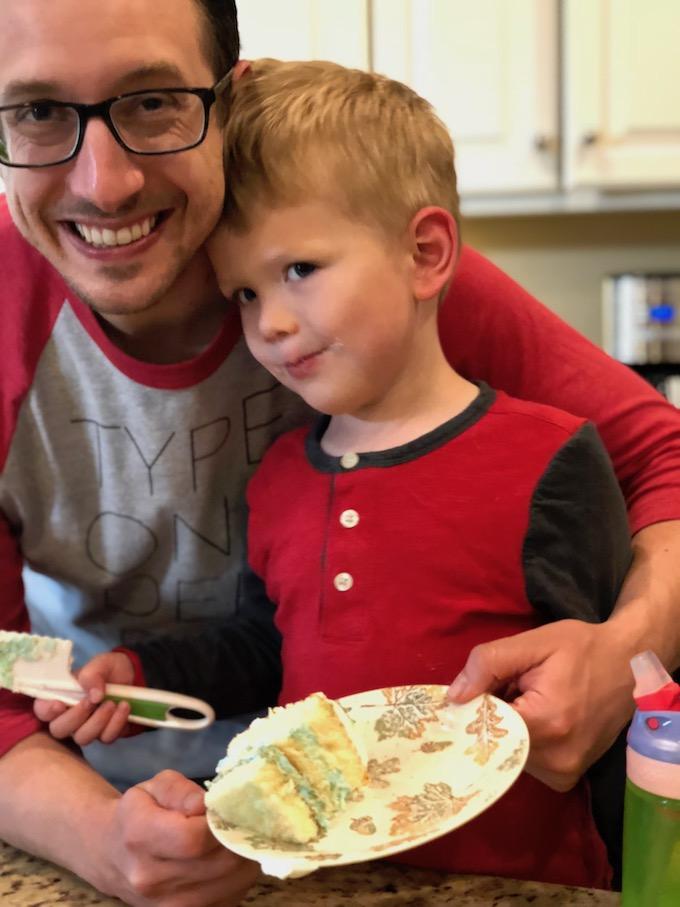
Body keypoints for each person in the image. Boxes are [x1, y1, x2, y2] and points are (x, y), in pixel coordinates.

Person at [0, 0, 676, 903]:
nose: (106, 182)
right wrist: (104, 837)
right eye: (39, 111)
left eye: (152, 99)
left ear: (226, 103)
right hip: (117, 798)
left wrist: (622, 648)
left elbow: (659, 462)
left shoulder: (378, 270)